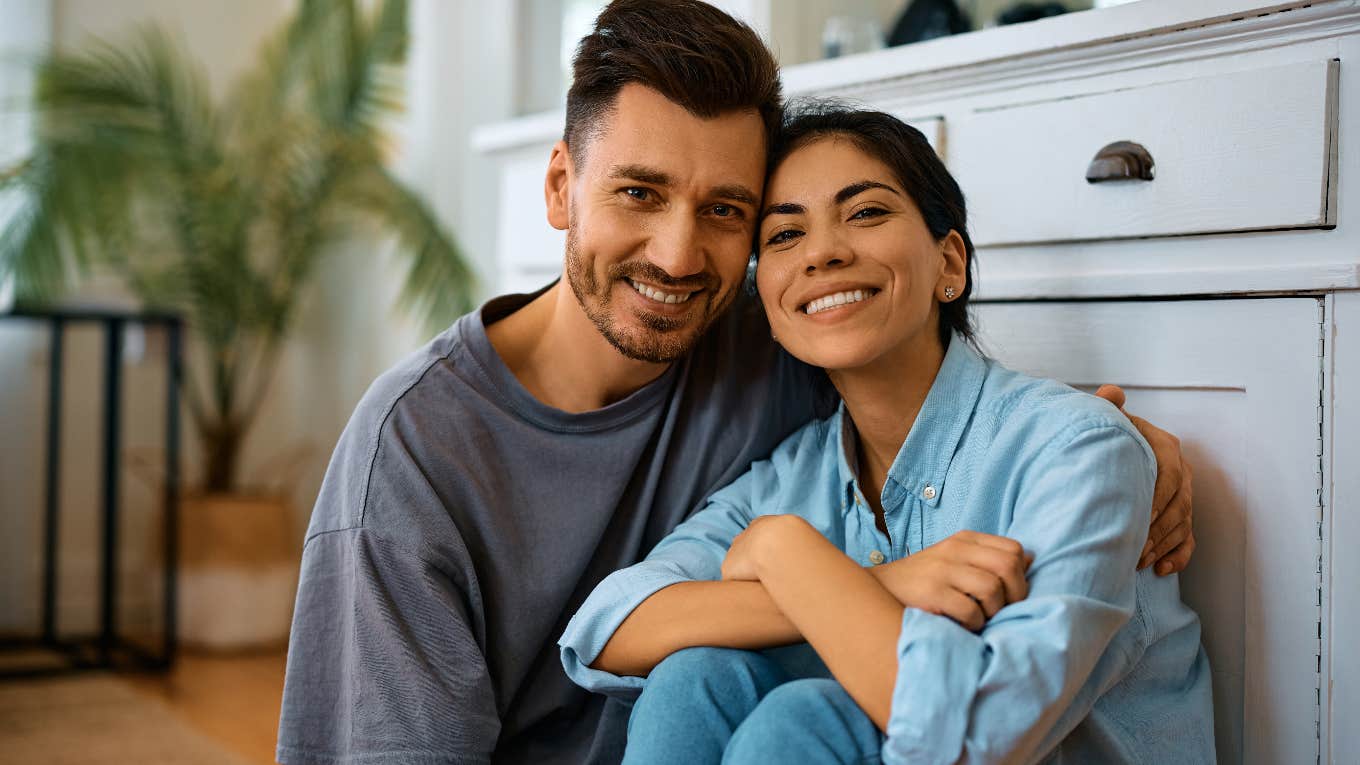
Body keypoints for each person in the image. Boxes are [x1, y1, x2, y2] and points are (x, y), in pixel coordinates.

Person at [275, 2, 1196, 763]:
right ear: (561, 188)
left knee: (777, 711)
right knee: (705, 684)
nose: (678, 256)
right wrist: (878, 579)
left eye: (726, 212)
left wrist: (1121, 442)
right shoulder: (412, 457)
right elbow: (599, 631)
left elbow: (946, 389)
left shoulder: (775, 336)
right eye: (638, 192)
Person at [559, 105, 1216, 764]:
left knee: (803, 719)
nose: (823, 252)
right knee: (692, 680)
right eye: (785, 234)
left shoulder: (1076, 450)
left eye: (866, 212)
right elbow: (606, 626)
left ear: (949, 262)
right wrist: (886, 583)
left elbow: (979, 738)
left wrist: (780, 549)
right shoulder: (794, 473)